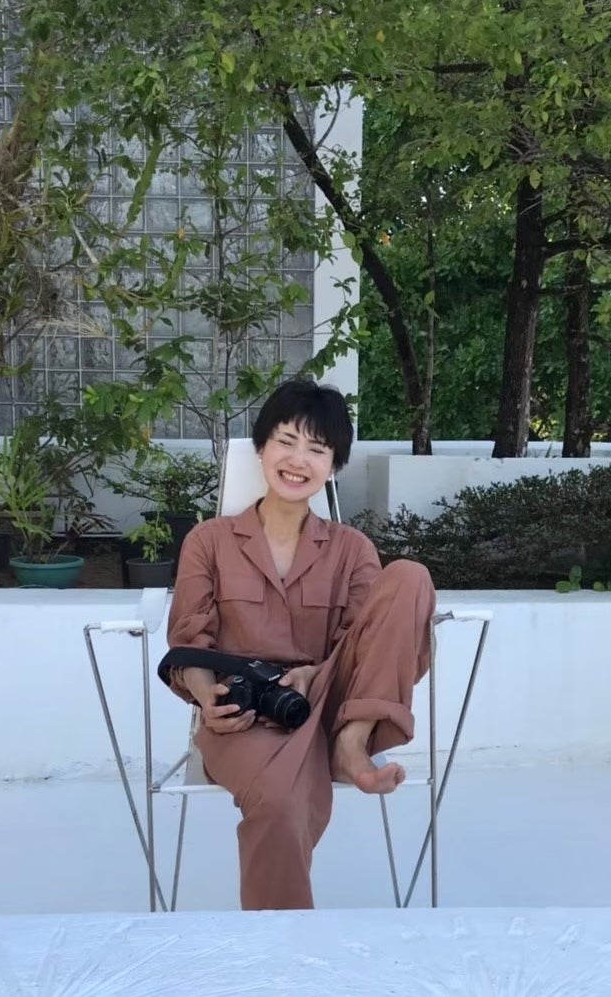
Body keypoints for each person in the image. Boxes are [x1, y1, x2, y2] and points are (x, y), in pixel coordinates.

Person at [165, 380, 436, 910]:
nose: (297, 460)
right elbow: (188, 644)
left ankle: (351, 742)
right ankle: (280, 950)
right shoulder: (209, 541)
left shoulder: (353, 549)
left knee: (410, 576)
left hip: (333, 703)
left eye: (317, 449)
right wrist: (206, 697)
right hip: (247, 715)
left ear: (333, 466)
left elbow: (372, 640)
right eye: (286, 441)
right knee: (279, 804)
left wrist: (317, 674)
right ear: (261, 447)